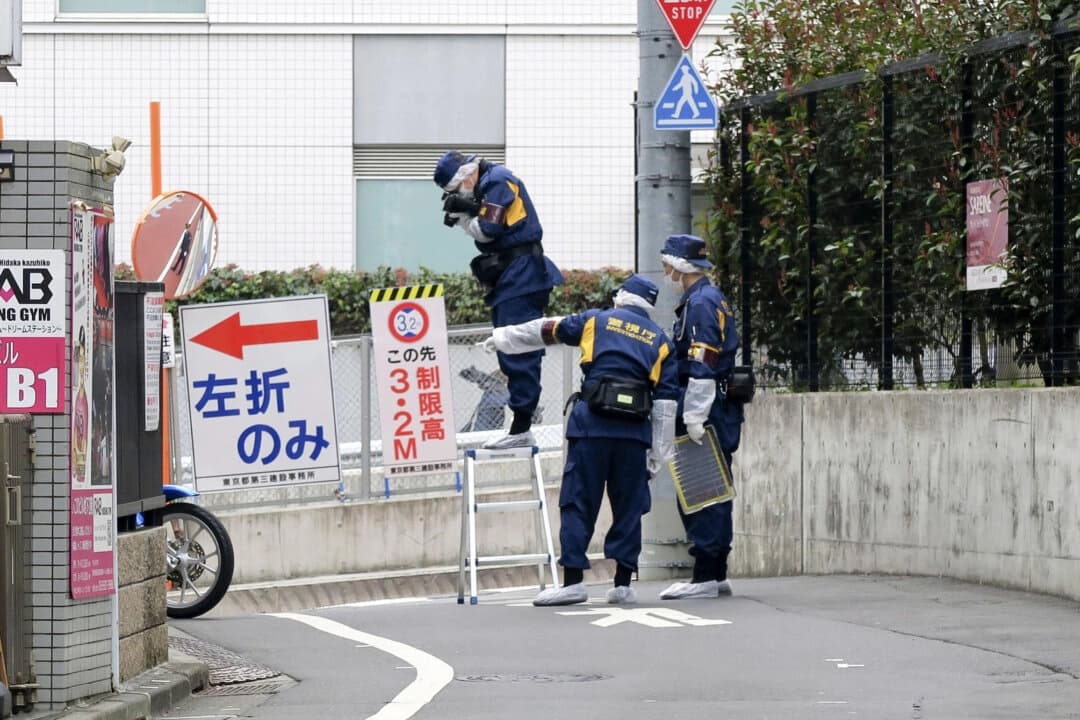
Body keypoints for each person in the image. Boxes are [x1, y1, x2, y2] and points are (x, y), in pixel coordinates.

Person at [480, 274, 679, 606]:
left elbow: (546, 330)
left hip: (591, 428)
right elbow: (665, 404)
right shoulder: (661, 341)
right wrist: (658, 454)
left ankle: (573, 582)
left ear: (621, 298)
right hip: (633, 435)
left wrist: (502, 338)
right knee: (629, 507)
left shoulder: (596, 321)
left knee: (578, 502)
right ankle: (622, 584)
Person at [434, 150, 564, 449]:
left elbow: (487, 230)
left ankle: (521, 426)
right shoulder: (488, 183)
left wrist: (466, 214)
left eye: (456, 190)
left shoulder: (498, 180)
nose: (459, 194)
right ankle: (520, 424)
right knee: (510, 346)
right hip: (513, 275)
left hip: (522, 274)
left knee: (519, 345)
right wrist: (469, 211)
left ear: (465, 175)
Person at [656, 234, 745, 600]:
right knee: (714, 490)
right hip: (717, 407)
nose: (665, 271)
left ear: (679, 266)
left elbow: (702, 363)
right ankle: (715, 572)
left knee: (701, 491)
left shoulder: (701, 303)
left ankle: (705, 575)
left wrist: (693, 415)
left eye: (667, 264)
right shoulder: (708, 298)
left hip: (706, 408)